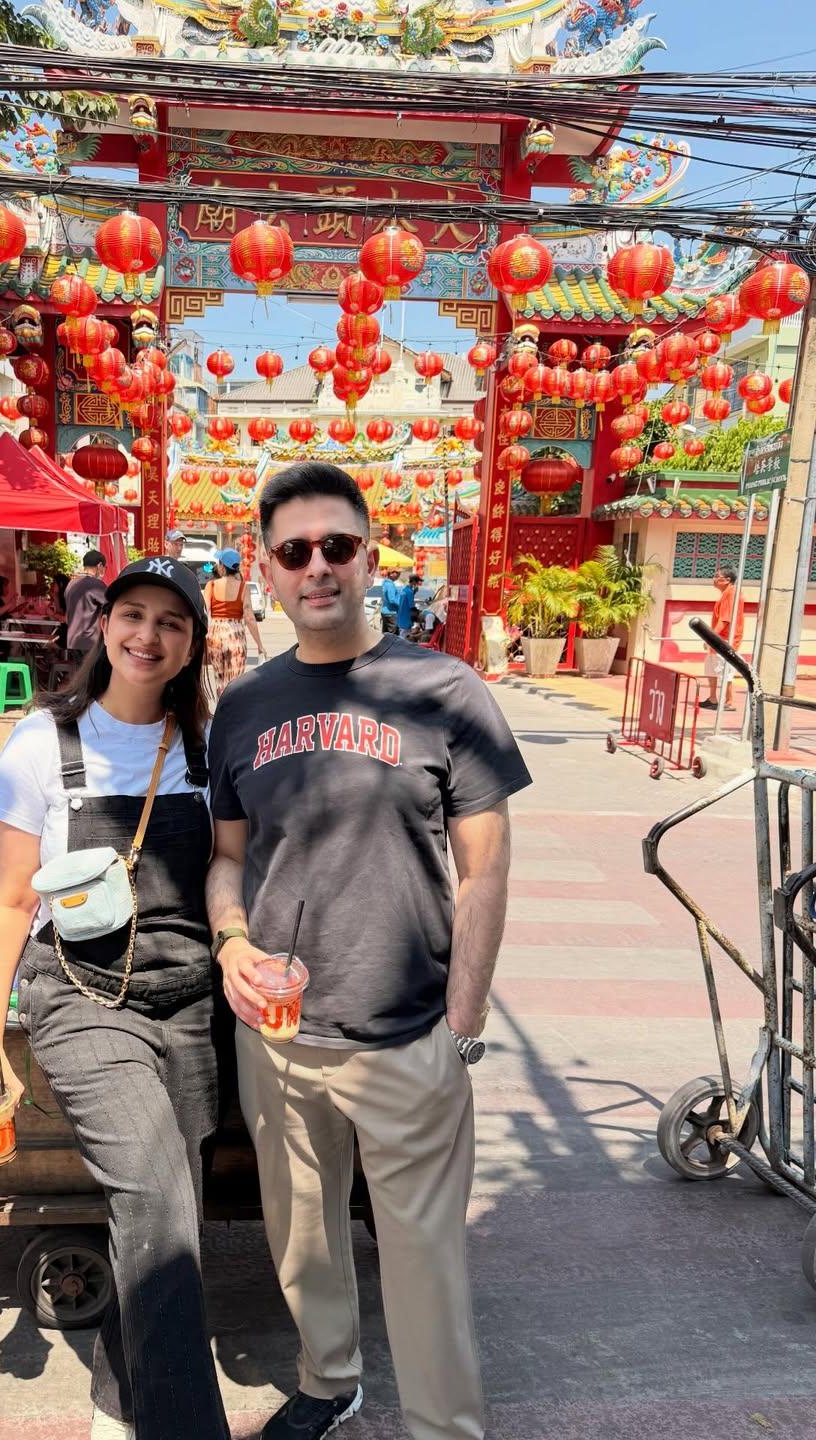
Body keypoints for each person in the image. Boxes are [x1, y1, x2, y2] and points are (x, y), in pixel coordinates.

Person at [205, 461, 531, 1440]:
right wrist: (229, 943)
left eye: (336, 546)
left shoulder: (445, 689)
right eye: (294, 551)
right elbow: (228, 857)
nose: (317, 567)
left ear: (369, 556)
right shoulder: (243, 705)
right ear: (267, 570)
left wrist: (462, 1029)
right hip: (279, 1035)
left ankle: (446, 1427)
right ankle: (328, 1378)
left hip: (407, 1035)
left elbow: (485, 871)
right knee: (301, 1240)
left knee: (425, 1261)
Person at [0, 557, 230, 1440]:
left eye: (172, 624)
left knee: (164, 1205)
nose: (149, 635)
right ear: (103, 628)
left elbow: (232, 864)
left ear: (191, 648)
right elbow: (10, 903)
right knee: (158, 1201)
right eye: (132, 615)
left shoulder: (207, 748)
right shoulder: (41, 744)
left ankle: (118, 1400)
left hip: (187, 998)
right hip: (80, 996)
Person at [204, 547, 266, 695]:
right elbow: (249, 617)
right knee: (235, 684)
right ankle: (232, 715)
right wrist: (259, 645)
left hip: (215, 636)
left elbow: (205, 613)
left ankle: (222, 713)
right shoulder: (243, 588)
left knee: (220, 682)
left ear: (221, 566)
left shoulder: (211, 586)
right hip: (236, 635)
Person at [700, 564, 744, 711]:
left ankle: (729, 701)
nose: (714, 579)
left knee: (725, 669)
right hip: (719, 638)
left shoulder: (732, 594)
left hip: (726, 639)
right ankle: (712, 698)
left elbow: (725, 620)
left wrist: (709, 637)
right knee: (711, 668)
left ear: (727, 579)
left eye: (717, 576)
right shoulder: (726, 594)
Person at [64, 550, 108, 657]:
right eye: (104, 568)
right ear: (99, 565)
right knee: (93, 672)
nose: (103, 571)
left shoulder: (71, 584)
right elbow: (110, 606)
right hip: (90, 642)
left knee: (79, 672)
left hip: (72, 641)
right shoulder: (96, 584)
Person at [395, 572, 420, 639]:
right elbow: (411, 605)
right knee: (405, 636)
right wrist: (417, 612)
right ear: (414, 581)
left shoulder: (404, 589)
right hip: (406, 616)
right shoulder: (410, 592)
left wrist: (414, 591)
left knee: (402, 633)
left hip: (401, 615)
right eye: (417, 582)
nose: (417, 583)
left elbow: (406, 599)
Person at [379, 567, 401, 634]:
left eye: (399, 573)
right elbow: (392, 600)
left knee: (386, 634)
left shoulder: (386, 583)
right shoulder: (390, 584)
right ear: (391, 574)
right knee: (393, 635)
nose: (399, 575)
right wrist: (401, 605)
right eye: (397, 573)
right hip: (391, 612)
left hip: (386, 611)